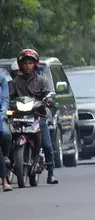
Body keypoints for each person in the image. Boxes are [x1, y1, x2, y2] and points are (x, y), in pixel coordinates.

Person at [9, 49, 58, 185]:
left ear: (34, 64)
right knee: (7, 139)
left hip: (38, 117)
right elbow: (8, 97)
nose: (27, 66)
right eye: (25, 63)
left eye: (30, 63)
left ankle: (51, 173)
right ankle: (8, 165)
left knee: (47, 145)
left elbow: (49, 95)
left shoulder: (42, 81)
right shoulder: (15, 82)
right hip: (19, 118)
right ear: (20, 65)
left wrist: (48, 101)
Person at [1, 73, 12, 191]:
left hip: (0, 116)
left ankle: (5, 155)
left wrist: (2, 114)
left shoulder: (2, 78)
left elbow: (5, 99)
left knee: (5, 134)